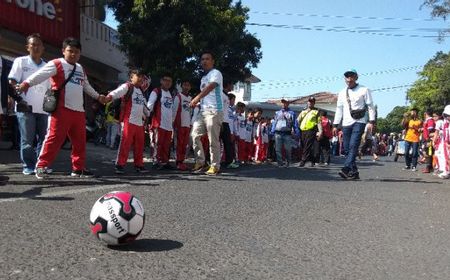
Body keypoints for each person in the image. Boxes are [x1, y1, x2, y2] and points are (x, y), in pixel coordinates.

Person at [18, 37, 106, 179]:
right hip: (60, 110)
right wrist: (26, 83)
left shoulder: (80, 68)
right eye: (70, 51)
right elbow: (40, 75)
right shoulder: (57, 63)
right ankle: (41, 166)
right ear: (63, 51)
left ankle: (78, 169)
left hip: (78, 112)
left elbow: (86, 86)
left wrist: (98, 97)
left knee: (79, 142)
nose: (73, 54)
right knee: (53, 139)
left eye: (77, 52)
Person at [8, 34, 51, 175]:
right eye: (33, 44)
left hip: (44, 109)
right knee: (27, 139)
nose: (36, 47)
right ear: (28, 47)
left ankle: (41, 164)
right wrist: (17, 98)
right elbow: (12, 82)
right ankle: (29, 166)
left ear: (43, 48)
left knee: (44, 139)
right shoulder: (20, 62)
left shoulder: (47, 66)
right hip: (25, 107)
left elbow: (52, 88)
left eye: (39, 45)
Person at [332, 69, 376, 180]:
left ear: (356, 77)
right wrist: (335, 124)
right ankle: (354, 172)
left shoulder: (364, 90)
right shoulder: (342, 93)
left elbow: (370, 106)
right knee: (346, 149)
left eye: (351, 76)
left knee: (353, 145)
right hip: (346, 123)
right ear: (345, 79)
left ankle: (346, 168)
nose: (349, 79)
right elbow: (339, 109)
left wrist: (371, 121)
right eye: (347, 77)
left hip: (359, 121)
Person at [105, 69, 149, 174]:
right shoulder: (127, 86)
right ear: (131, 77)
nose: (140, 78)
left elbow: (145, 107)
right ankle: (119, 165)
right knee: (125, 144)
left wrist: (148, 114)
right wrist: (108, 97)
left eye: (142, 77)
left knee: (140, 145)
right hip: (128, 121)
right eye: (138, 76)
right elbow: (117, 92)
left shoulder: (141, 91)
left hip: (139, 123)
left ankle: (139, 165)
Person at [190, 51, 224, 175]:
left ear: (212, 61)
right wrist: (199, 102)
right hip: (203, 111)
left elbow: (211, 87)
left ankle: (215, 165)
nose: (204, 61)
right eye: (202, 59)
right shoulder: (203, 78)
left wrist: (197, 98)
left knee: (212, 140)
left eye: (207, 59)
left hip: (214, 111)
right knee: (194, 135)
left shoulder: (216, 73)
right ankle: (200, 161)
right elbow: (206, 93)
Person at [147, 73, 174, 170]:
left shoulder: (170, 94)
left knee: (166, 145)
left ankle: (165, 161)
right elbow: (149, 105)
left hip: (168, 125)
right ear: (161, 81)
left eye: (169, 81)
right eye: (165, 80)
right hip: (158, 123)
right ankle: (156, 161)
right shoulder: (156, 91)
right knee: (157, 143)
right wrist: (144, 117)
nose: (167, 82)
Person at [271, 99, 300, 167]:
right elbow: (274, 123)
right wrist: (272, 131)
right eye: (283, 103)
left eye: (285, 103)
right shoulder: (277, 113)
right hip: (278, 133)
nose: (283, 104)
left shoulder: (292, 113)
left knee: (288, 149)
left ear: (288, 103)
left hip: (287, 133)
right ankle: (280, 163)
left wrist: (297, 132)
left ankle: (288, 162)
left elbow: (294, 124)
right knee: (278, 149)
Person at [172, 79, 192, 171]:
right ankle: (178, 162)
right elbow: (174, 111)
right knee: (179, 144)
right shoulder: (178, 97)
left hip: (187, 125)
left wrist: (191, 124)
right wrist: (173, 123)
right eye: (185, 85)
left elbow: (191, 112)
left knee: (185, 144)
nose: (186, 87)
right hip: (179, 124)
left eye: (188, 85)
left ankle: (182, 161)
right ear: (182, 86)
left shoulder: (190, 99)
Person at [297, 97, 322, 167]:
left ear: (314, 103)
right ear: (307, 102)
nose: (310, 103)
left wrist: (320, 131)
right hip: (302, 131)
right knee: (304, 145)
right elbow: (298, 120)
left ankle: (303, 160)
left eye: (312, 102)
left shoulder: (317, 111)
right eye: (309, 101)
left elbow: (319, 122)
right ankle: (312, 160)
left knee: (307, 146)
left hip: (311, 130)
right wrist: (295, 128)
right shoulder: (303, 111)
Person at [219, 81, 238, 169]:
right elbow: (219, 109)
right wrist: (220, 121)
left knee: (228, 143)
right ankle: (210, 161)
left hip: (226, 122)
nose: (233, 86)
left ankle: (229, 162)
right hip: (220, 121)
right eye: (232, 84)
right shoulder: (220, 94)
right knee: (215, 142)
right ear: (228, 84)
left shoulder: (226, 95)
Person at [421, 108, 435, 173]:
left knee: (427, 153)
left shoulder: (430, 120)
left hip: (428, 139)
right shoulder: (427, 120)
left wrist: (429, 140)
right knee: (427, 152)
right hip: (425, 138)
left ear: (426, 113)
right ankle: (430, 167)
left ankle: (428, 167)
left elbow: (431, 129)